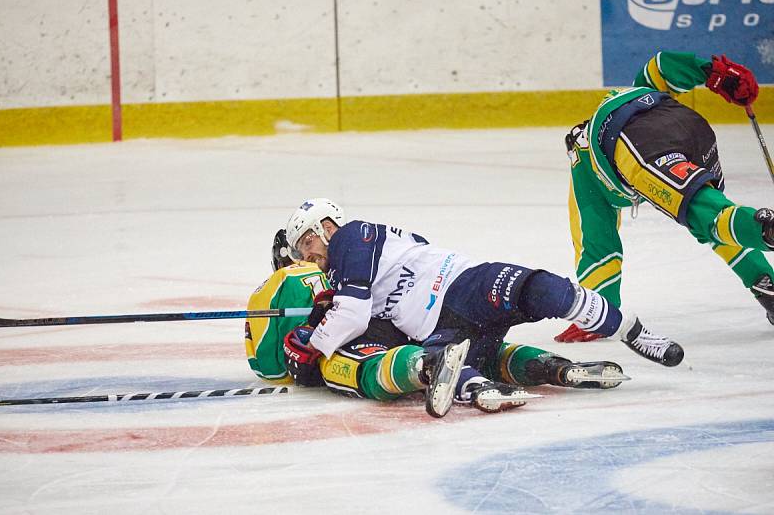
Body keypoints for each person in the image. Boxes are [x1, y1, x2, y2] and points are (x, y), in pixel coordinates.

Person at [283, 199, 670, 416]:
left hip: (462, 287)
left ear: (326, 228)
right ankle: (543, 371)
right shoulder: (353, 264)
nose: (308, 257)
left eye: (306, 245)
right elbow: (364, 316)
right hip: (447, 318)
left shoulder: (352, 236)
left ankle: (630, 330)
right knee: (456, 355)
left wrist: (316, 341)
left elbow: (352, 315)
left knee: (544, 289)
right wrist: (327, 310)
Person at [556, 51, 774, 343]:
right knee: (711, 213)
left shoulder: (585, 168)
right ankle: (765, 280)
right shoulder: (631, 95)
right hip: (691, 125)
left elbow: (596, 244)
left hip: (637, 143)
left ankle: (765, 230)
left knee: (701, 213)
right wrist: (712, 72)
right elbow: (659, 68)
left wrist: (599, 314)